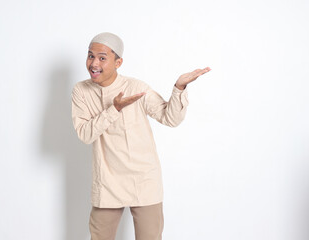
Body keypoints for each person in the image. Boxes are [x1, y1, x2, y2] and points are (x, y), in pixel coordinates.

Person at [71, 32, 211, 240]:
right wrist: (114, 109)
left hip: (144, 180)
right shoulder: (81, 91)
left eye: (102, 57)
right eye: (90, 56)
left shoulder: (136, 88)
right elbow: (84, 134)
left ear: (118, 62)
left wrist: (179, 88)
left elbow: (169, 118)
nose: (94, 63)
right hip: (108, 181)